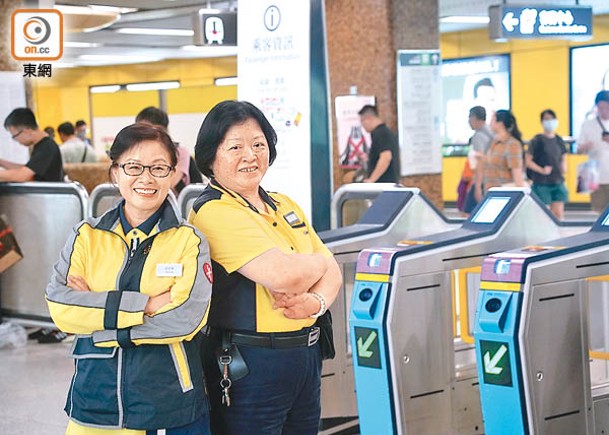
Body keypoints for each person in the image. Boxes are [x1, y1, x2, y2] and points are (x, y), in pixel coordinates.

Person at [45, 124, 213, 434]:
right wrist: (147, 304)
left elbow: (187, 317)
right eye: (133, 167)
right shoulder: (87, 235)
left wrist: (101, 322)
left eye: (159, 168)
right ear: (115, 173)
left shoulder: (189, 240)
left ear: (174, 175)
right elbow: (61, 308)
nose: (146, 178)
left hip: (169, 400)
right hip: (96, 396)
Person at [188, 100, 342, 434]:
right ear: (210, 156)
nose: (250, 155)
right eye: (235, 147)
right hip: (250, 363)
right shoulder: (213, 211)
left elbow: (335, 273)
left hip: (305, 355)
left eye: (259, 145)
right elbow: (282, 275)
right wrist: (319, 263)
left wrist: (314, 302)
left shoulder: (283, 203)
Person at [135, 106, 203, 194]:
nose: (144, 135)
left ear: (163, 131)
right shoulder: (135, 152)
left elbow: (171, 182)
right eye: (140, 130)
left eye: (148, 131)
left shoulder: (180, 152)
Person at [474, 109, 526, 201]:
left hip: (506, 195)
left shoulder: (512, 144)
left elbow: (517, 173)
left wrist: (520, 197)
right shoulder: (493, 142)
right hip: (491, 193)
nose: (489, 123)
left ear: (500, 123)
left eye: (492, 119)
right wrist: (478, 187)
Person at [526, 109, 568, 220]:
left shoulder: (559, 140)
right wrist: (541, 170)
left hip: (557, 181)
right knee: (544, 215)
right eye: (546, 119)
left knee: (558, 214)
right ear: (542, 122)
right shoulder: (537, 140)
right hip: (542, 183)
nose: (549, 122)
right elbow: (528, 161)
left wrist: (564, 168)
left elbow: (563, 157)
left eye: (552, 119)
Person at [1, 107, 64, 182]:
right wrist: (1, 162)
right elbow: (26, 170)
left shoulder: (47, 147)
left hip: (48, 193)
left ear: (26, 131)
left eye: (14, 136)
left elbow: (21, 176)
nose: (16, 140)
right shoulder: (42, 145)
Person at [457, 106, 493, 215]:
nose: (468, 122)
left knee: (468, 212)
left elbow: (480, 160)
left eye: (469, 118)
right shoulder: (492, 133)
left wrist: (475, 183)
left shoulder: (478, 136)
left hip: (480, 178)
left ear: (474, 118)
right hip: (490, 177)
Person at [577, 90, 609, 213]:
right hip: (595, 175)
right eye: (600, 108)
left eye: (607, 107)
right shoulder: (587, 124)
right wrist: (584, 147)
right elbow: (579, 150)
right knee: (598, 211)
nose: (604, 111)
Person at [358, 104, 400, 183]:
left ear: (369, 118)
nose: (362, 126)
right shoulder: (383, 132)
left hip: (384, 185)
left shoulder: (380, 133)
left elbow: (386, 157)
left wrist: (371, 180)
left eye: (362, 121)